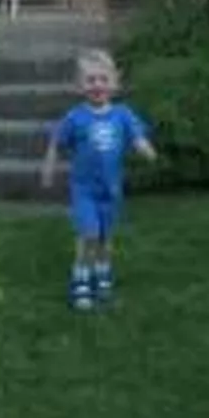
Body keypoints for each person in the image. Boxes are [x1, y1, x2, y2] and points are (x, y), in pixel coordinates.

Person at [41, 49, 158, 311]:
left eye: (103, 79)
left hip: (111, 190)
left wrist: (145, 148)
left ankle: (102, 273)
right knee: (89, 234)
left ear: (114, 83)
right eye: (90, 80)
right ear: (80, 85)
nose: (97, 85)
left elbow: (136, 136)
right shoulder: (75, 117)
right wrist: (48, 168)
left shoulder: (123, 114)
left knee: (105, 238)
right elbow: (56, 141)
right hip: (84, 190)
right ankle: (80, 277)